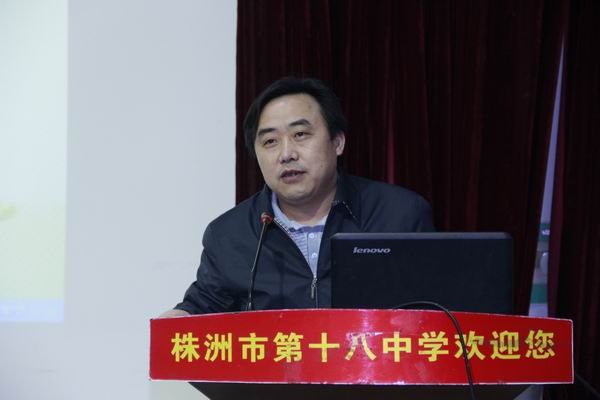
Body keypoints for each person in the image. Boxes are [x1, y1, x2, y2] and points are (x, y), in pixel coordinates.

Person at [160, 77, 433, 318]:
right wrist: (180, 317)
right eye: (270, 141)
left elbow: (434, 309)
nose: (286, 154)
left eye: (300, 134)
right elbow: (204, 306)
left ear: (337, 142)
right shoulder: (229, 235)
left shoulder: (399, 215)